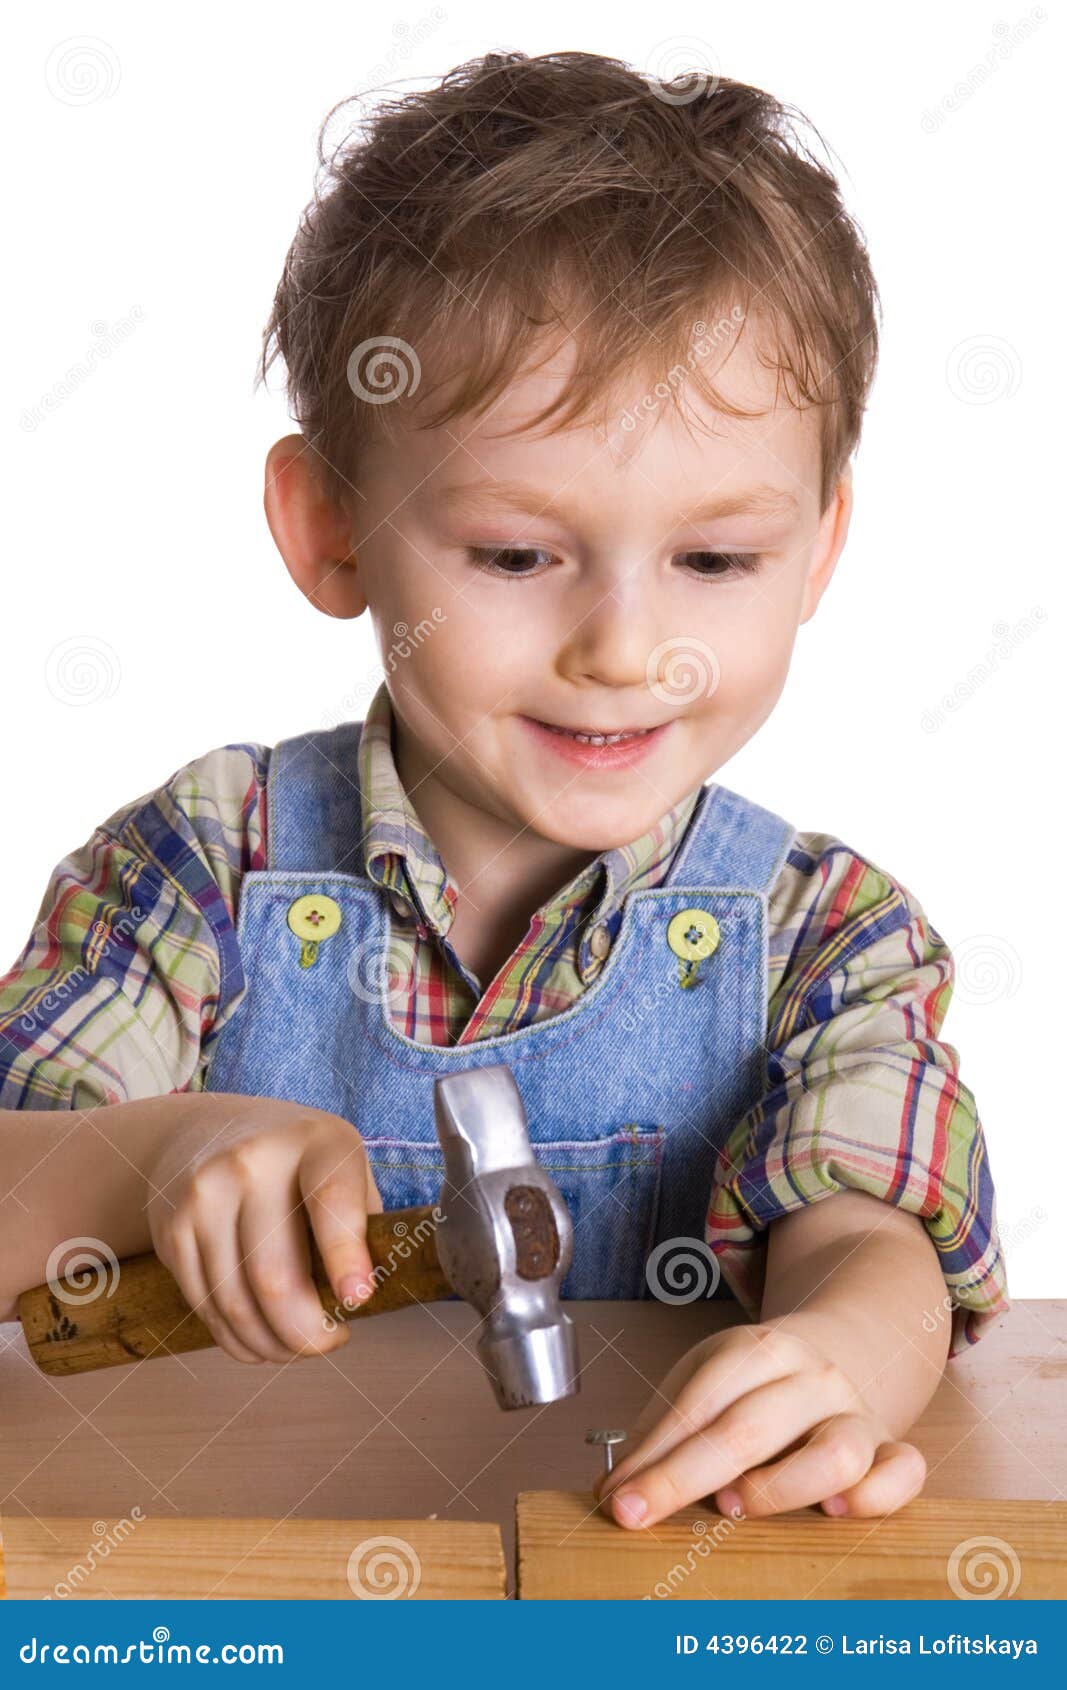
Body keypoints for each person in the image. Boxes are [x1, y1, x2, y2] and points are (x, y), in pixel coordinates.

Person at [0, 50, 1008, 1531]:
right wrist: (159, 1154)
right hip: (247, 1586)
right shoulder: (206, 868)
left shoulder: (823, 939)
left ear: (819, 548)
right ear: (334, 529)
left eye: (715, 561)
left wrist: (843, 1351)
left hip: (645, 1591)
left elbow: (872, 1224)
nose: (622, 648)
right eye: (518, 556)